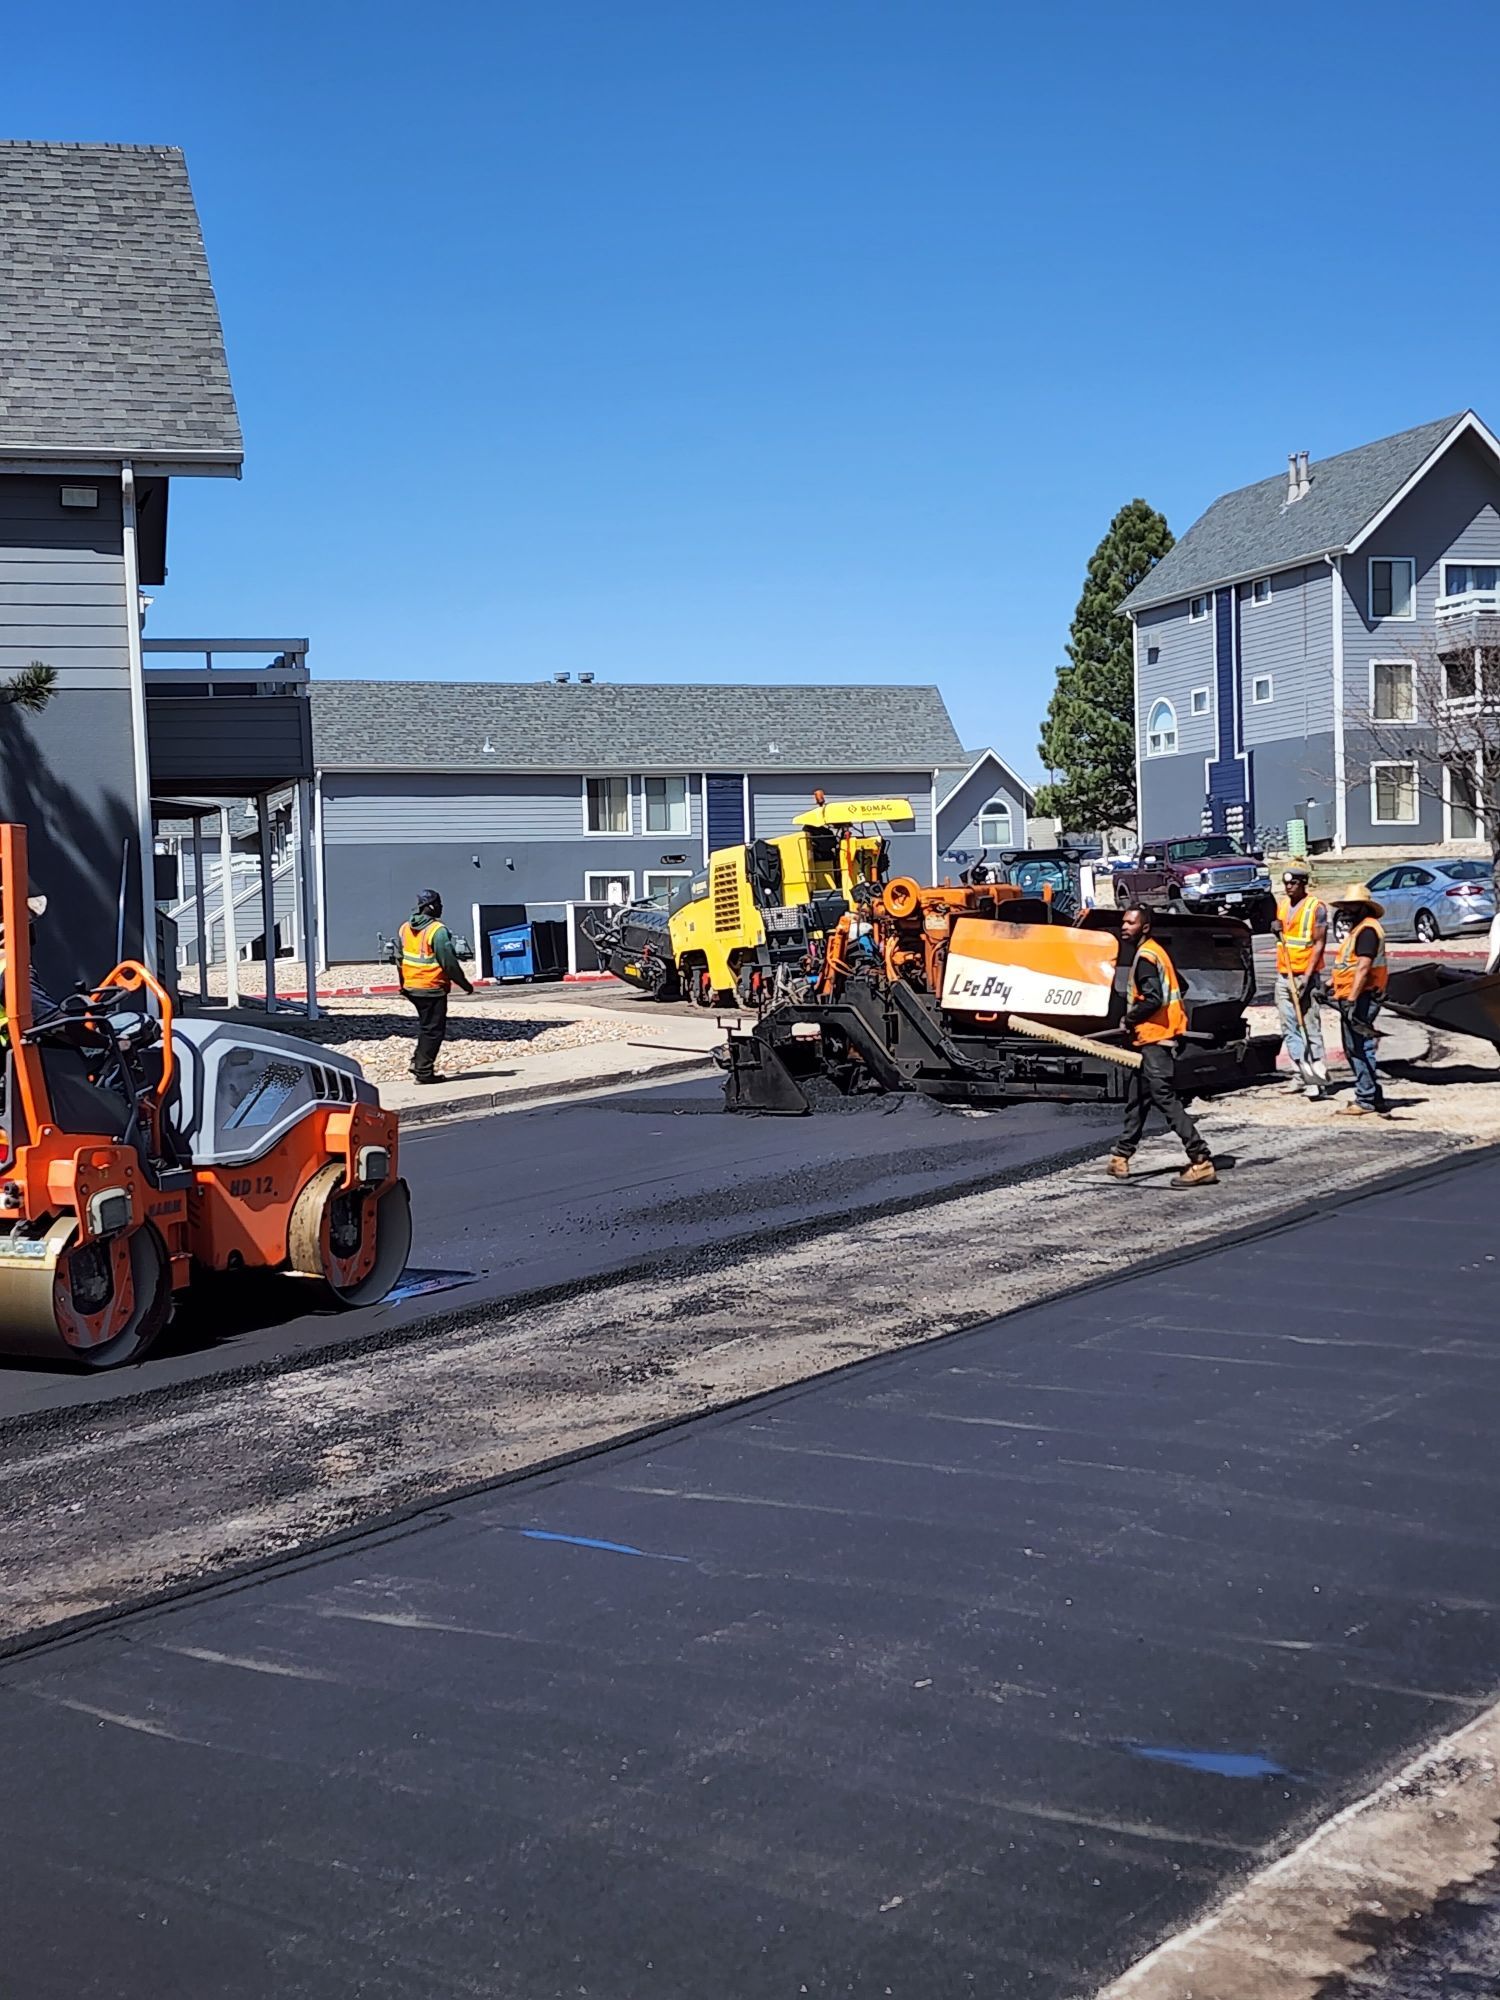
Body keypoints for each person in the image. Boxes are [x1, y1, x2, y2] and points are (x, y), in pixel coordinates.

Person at [1107, 903, 1217, 1187]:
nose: (1124, 927)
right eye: (1123, 922)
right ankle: (1121, 1155)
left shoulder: (1146, 957)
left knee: (1165, 1098)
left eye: (1130, 923)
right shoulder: (1157, 952)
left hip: (1156, 1038)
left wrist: (1129, 1018)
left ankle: (1200, 1159)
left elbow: (1154, 998)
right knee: (1138, 1098)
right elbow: (1181, 985)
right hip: (1151, 1038)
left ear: (1144, 927)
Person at [397, 889, 473, 1084]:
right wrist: (465, 984)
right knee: (433, 1030)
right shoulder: (437, 931)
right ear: (431, 906)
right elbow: (449, 963)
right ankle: (423, 1071)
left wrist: (402, 985)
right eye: (439, 904)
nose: (441, 908)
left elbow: (399, 959)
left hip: (412, 986)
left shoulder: (405, 928)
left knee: (426, 1026)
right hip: (431, 987)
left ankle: (417, 1062)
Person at [1328, 882, 1389, 1117]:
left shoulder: (1367, 931)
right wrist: (1329, 984)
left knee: (1358, 1047)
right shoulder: (1360, 930)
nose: (1347, 911)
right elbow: (1350, 965)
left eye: (1352, 906)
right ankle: (1374, 1096)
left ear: (1364, 908)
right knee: (1357, 1045)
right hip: (1356, 994)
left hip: (1363, 996)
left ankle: (1365, 1098)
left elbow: (1363, 968)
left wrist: (1352, 999)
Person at [1271, 862, 1329, 1098]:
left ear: (1303, 883)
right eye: (1286, 883)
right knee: (1289, 1028)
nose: (1289, 887)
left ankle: (1317, 1079)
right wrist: (1276, 930)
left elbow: (1319, 943)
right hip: (1284, 974)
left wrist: (1307, 976)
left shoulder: (1316, 908)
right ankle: (1299, 1074)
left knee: (1310, 1027)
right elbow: (1284, 938)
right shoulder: (1283, 905)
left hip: (1306, 976)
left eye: (1294, 883)